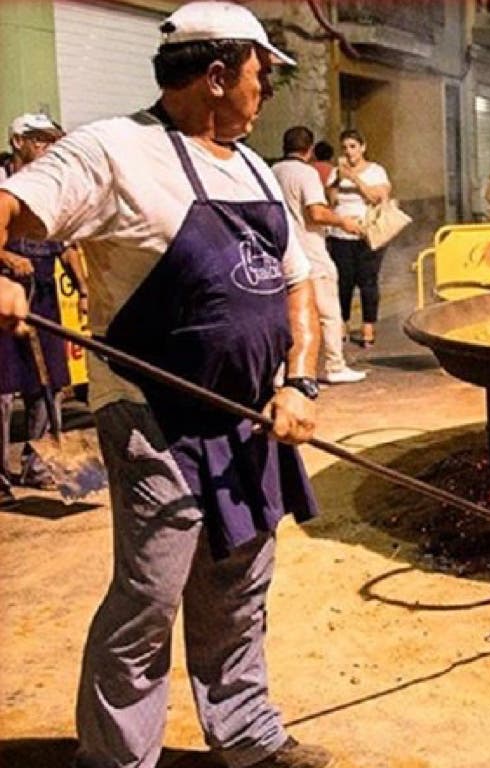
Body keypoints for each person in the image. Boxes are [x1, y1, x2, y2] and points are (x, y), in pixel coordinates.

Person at [0, 3, 338, 767]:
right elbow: (10, 210)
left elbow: (294, 289)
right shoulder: (113, 151)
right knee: (151, 593)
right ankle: (117, 756)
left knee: (240, 582)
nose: (265, 94)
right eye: (260, 76)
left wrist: (301, 386)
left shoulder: (253, 167)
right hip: (152, 412)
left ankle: (248, 733)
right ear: (217, 77)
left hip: (250, 416)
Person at [0, 114, 88, 506]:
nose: (46, 148)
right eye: (38, 140)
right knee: (2, 392)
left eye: (51, 141)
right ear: (17, 142)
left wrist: (85, 289)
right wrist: (4, 256)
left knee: (48, 384)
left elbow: (67, 244)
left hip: (45, 297)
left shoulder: (52, 188)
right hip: (4, 299)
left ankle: (39, 466)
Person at [272, 126, 366, 384]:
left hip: (283, 252)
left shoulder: (273, 172)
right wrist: (343, 222)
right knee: (328, 312)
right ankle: (334, 365)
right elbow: (316, 213)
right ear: (309, 150)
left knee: (291, 313)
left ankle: (283, 372)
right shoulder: (306, 173)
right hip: (311, 252)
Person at [325, 128, 391, 348]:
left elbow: (377, 197)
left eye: (353, 147)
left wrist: (354, 178)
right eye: (344, 148)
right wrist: (336, 182)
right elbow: (331, 201)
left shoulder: (376, 171)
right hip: (340, 235)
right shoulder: (336, 173)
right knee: (343, 282)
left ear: (363, 148)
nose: (349, 152)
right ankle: (342, 325)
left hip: (367, 235)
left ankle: (368, 327)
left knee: (368, 282)